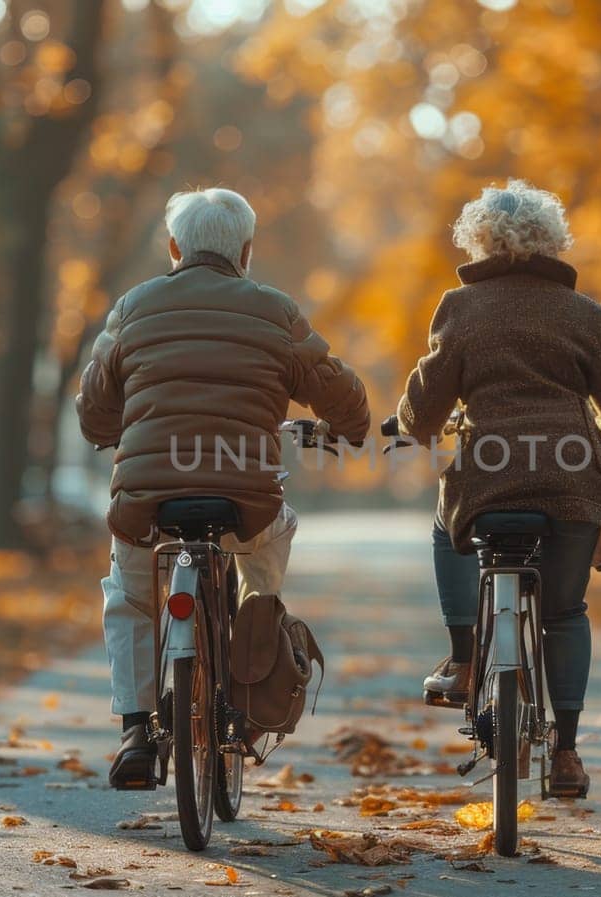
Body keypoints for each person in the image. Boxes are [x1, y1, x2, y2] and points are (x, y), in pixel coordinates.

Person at [76, 187, 369, 790]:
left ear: (175, 247)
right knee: (266, 555)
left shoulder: (133, 308)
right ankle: (253, 652)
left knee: (129, 597)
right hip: (246, 497)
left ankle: (135, 728)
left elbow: (95, 412)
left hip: (148, 497)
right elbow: (342, 396)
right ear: (248, 250)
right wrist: (347, 426)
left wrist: (114, 429)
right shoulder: (276, 312)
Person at [394, 180, 601, 798]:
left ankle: (461, 658)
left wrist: (411, 422)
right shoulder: (582, 313)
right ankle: (566, 755)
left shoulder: (459, 308)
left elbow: (424, 410)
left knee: (443, 518)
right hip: (570, 479)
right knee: (566, 613)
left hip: (488, 476)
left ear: (480, 238)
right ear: (552, 240)